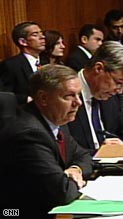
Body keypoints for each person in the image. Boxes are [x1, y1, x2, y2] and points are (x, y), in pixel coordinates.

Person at [0, 64, 93, 219]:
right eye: (68, 96)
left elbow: (84, 155)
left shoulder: (54, 120)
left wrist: (76, 169)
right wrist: (73, 182)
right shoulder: (28, 133)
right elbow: (62, 193)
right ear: (43, 98)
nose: (78, 103)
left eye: (78, 95)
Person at [68, 41, 123, 155]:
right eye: (118, 82)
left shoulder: (108, 95)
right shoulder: (65, 97)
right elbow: (65, 151)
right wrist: (100, 152)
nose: (119, 91)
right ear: (99, 68)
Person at [0, 21, 45, 105]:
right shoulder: (11, 65)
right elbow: (4, 94)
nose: (42, 37)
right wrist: (27, 99)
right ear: (23, 42)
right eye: (35, 35)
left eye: (41, 33)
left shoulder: (45, 62)